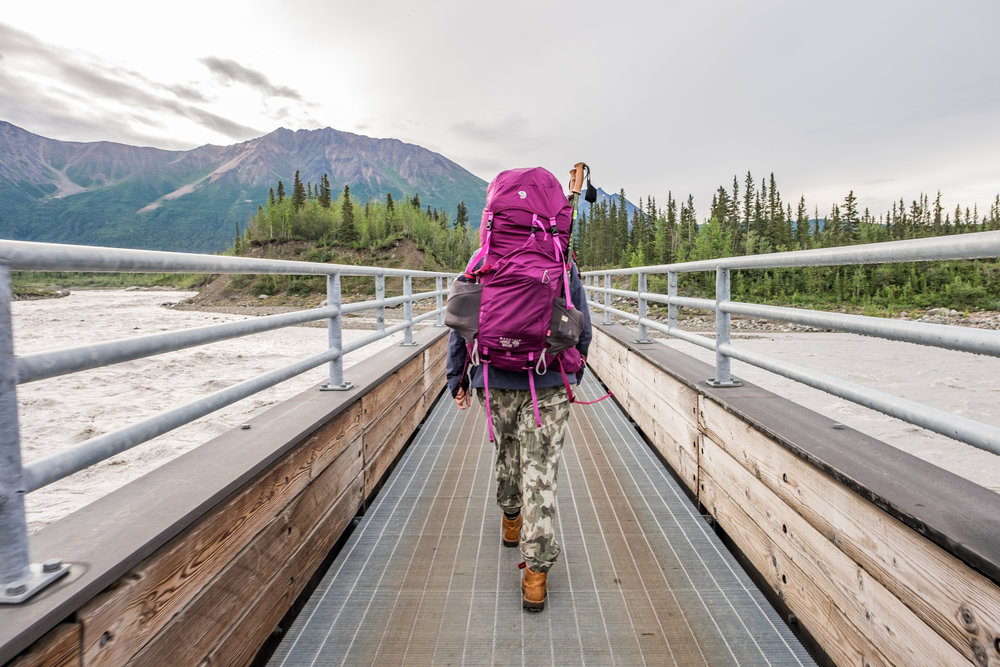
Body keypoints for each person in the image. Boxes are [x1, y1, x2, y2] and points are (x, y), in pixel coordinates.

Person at [446, 235, 592, 612]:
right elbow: (582, 324)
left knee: (508, 451)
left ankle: (511, 517)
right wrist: (577, 367)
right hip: (550, 379)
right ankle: (536, 576)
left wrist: (457, 378)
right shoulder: (560, 257)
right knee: (541, 473)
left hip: (493, 378)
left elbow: (462, 320)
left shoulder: (484, 256)